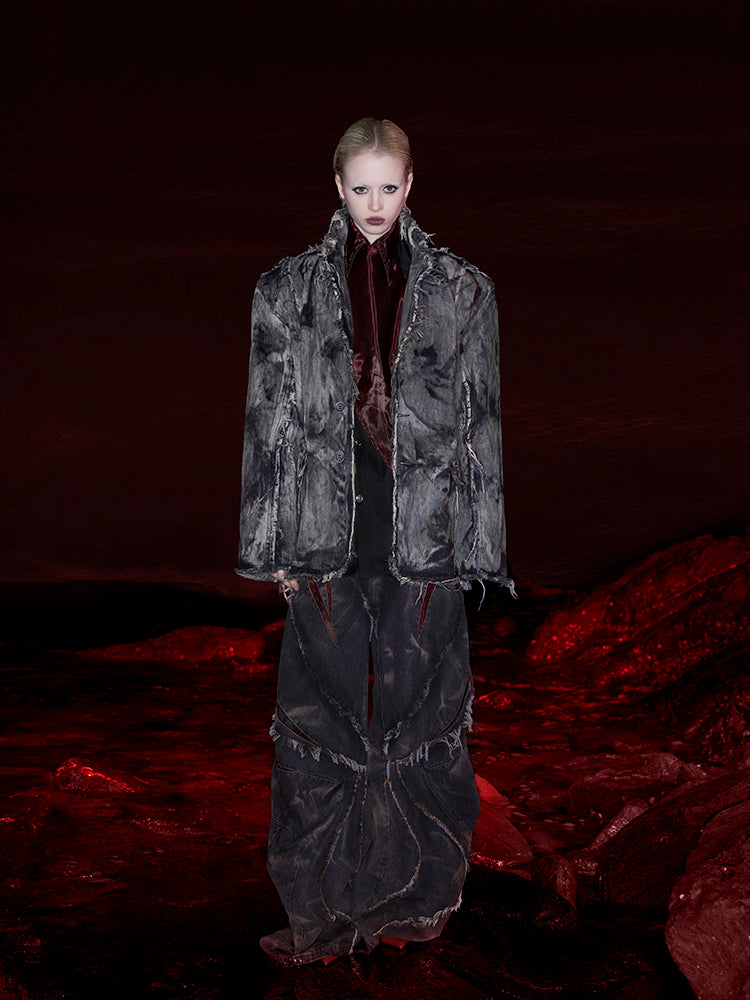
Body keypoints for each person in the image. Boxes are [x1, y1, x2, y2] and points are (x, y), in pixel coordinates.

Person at [237, 117, 513, 967]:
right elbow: (266, 426)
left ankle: (416, 900)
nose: (374, 204)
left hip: (426, 538)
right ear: (337, 187)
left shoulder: (465, 291)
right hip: (323, 536)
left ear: (411, 184)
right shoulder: (284, 290)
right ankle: (320, 909)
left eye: (388, 187)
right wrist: (268, 549)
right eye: (360, 187)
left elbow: (482, 429)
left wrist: (480, 552)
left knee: (423, 726)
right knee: (315, 731)